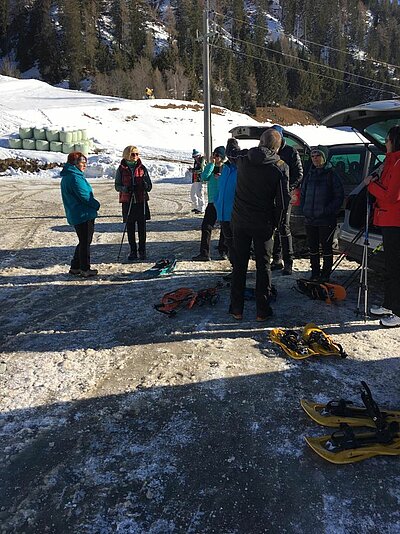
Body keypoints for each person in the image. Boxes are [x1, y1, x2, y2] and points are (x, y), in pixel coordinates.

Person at [229, 129, 291, 321]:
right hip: (263, 223)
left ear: (260, 142)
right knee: (263, 266)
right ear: (277, 147)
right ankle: (261, 311)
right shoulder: (280, 166)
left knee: (239, 265)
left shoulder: (244, 158)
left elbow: (230, 152)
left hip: (239, 221)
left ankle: (236, 309)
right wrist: (278, 223)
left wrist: (232, 141)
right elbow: (283, 201)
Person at [365, 125, 400, 328]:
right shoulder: (390, 161)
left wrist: (371, 185)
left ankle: (398, 311)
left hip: (396, 221)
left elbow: (391, 195)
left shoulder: (398, 163)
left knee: (396, 267)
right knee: (390, 266)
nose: (385, 143)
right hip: (388, 220)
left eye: (387, 139)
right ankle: (389, 304)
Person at [300, 145, 344, 282]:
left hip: (325, 220)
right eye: (313, 156)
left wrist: (327, 211)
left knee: (326, 249)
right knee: (312, 248)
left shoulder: (332, 175)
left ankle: (325, 274)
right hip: (310, 219)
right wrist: (305, 209)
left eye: (318, 156)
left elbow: (339, 197)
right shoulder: (310, 175)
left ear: (324, 157)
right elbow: (303, 194)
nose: (315, 159)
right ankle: (314, 272)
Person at [270, 124, 303, 275]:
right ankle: (276, 259)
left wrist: (288, 189)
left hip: (284, 195)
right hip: (271, 195)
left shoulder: (291, 152)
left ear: (281, 137)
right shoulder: (270, 151)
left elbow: (299, 174)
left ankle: (288, 262)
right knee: (274, 227)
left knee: (284, 227)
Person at [60, 152, 100, 277]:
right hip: (83, 214)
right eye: (82, 163)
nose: (84, 166)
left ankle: (75, 267)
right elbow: (84, 196)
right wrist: (96, 204)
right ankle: (84, 269)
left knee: (83, 241)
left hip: (78, 213)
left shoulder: (70, 175)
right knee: (85, 242)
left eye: (85, 163)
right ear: (75, 163)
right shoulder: (75, 177)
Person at [115, 145, 152, 261]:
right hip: (128, 201)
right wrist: (125, 189)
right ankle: (133, 251)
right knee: (130, 227)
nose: (135, 156)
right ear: (127, 155)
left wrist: (145, 186)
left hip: (141, 200)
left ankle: (142, 250)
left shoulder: (142, 168)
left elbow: (149, 185)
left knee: (142, 227)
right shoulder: (121, 169)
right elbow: (117, 186)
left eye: (137, 154)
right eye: (133, 154)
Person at [192, 146, 227, 261]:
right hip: (212, 201)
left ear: (222, 157)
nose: (214, 157)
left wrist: (220, 178)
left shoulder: (226, 168)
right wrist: (211, 165)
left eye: (217, 155)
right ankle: (204, 253)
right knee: (206, 227)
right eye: (213, 154)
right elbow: (203, 177)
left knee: (225, 227)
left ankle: (224, 250)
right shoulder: (210, 166)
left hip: (222, 201)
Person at [215, 138, 240, 278]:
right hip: (223, 213)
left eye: (233, 152)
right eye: (229, 152)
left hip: (235, 214)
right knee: (229, 243)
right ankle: (234, 267)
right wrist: (217, 202)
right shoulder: (225, 168)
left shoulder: (241, 169)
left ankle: (239, 269)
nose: (231, 156)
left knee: (237, 244)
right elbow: (221, 188)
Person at [190, 149, 205, 214]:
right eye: (194, 157)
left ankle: (201, 209)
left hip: (200, 180)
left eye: (195, 157)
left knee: (200, 194)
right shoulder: (196, 162)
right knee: (193, 194)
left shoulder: (202, 161)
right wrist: (192, 170)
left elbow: (201, 170)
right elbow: (196, 169)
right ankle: (196, 207)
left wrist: (193, 171)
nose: (195, 158)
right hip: (195, 179)